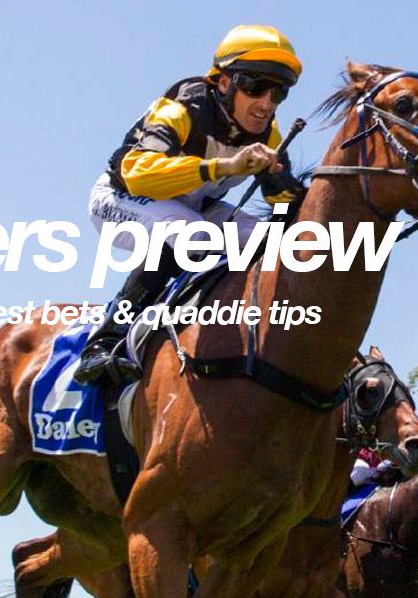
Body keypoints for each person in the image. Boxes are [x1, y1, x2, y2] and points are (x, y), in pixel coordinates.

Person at [74, 25, 306, 386]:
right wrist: (224, 167)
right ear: (224, 82)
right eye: (255, 86)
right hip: (120, 198)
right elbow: (137, 173)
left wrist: (283, 184)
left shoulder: (269, 133)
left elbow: (281, 203)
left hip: (195, 207)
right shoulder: (182, 106)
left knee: (273, 244)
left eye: (279, 92)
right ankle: (104, 341)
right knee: (192, 235)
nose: (266, 103)